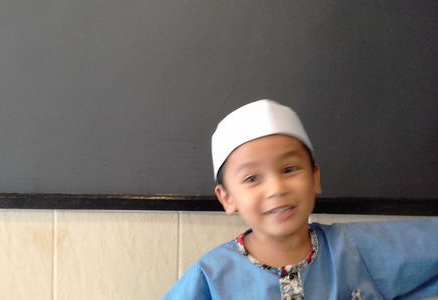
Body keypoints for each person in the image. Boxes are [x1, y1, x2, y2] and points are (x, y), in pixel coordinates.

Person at [164, 99, 438, 300]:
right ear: (227, 198)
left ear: (315, 177)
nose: (276, 188)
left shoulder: (354, 250)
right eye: (252, 179)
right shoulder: (211, 276)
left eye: (289, 170)